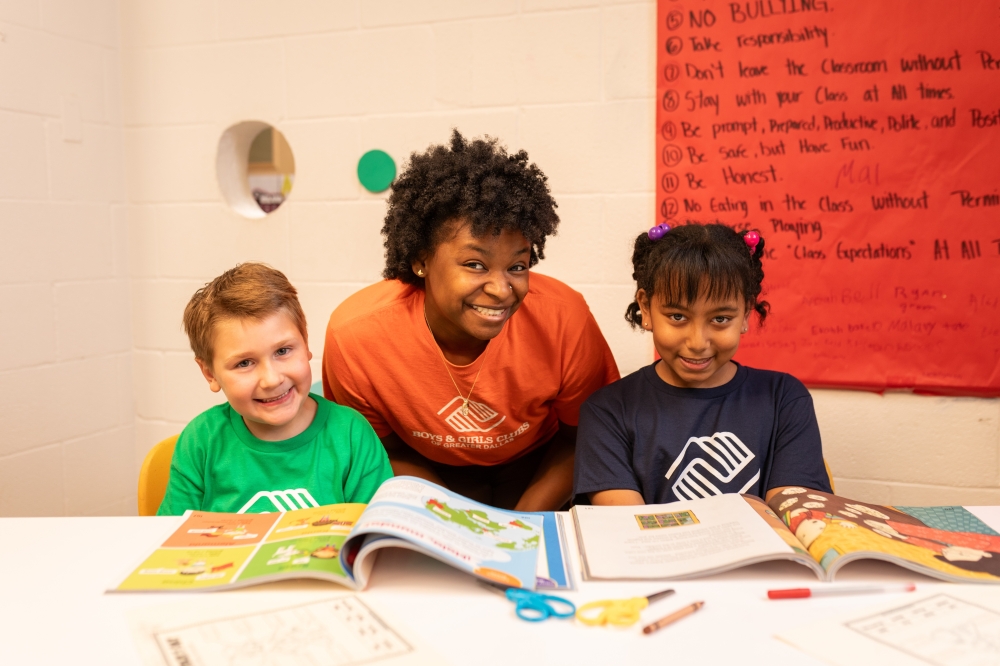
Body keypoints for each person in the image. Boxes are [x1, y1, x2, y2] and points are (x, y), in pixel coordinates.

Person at [323, 131, 619, 511]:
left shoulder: (565, 319)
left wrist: (519, 521)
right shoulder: (356, 336)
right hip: (427, 471)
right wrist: (456, 517)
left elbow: (584, 438)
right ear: (421, 260)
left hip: (539, 467)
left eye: (517, 266)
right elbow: (382, 449)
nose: (501, 289)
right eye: (474, 264)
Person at [573, 223, 831, 505]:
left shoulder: (784, 398)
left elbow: (796, 516)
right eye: (677, 317)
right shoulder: (608, 411)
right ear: (646, 308)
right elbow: (630, 528)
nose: (698, 342)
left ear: (746, 312)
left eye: (720, 319)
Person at [158, 263, 393, 515]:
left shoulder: (351, 434)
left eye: (282, 351)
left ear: (306, 343)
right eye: (244, 363)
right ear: (209, 374)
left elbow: (379, 535)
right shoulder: (201, 441)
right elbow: (171, 538)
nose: (271, 380)